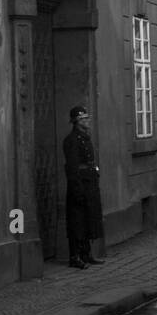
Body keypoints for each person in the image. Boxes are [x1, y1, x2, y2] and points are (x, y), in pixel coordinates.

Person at [63, 105, 105, 269]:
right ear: (76, 121)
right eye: (84, 119)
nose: (87, 121)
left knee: (88, 219)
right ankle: (75, 256)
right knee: (76, 222)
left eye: (87, 118)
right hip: (79, 185)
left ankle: (86, 254)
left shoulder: (85, 138)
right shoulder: (72, 140)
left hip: (89, 184)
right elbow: (72, 167)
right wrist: (78, 189)